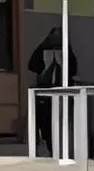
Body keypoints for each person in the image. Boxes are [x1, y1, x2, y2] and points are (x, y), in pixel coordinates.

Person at [28, 26, 81, 156]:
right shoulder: (42, 49)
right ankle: (51, 146)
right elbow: (33, 65)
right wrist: (46, 63)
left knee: (62, 121)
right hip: (45, 92)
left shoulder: (67, 50)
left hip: (62, 91)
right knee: (45, 122)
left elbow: (73, 69)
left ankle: (59, 148)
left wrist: (62, 62)